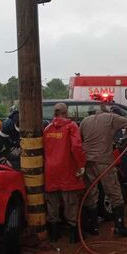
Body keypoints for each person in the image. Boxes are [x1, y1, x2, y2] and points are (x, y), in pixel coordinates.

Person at [80, 105, 127, 237]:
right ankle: (119, 227)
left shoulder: (85, 121)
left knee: (91, 193)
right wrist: (125, 137)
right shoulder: (111, 118)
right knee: (115, 193)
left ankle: (93, 227)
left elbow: (80, 139)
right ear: (106, 112)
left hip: (88, 162)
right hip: (104, 162)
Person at [43, 103, 86, 243]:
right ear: (65, 112)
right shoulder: (71, 126)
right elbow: (76, 147)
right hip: (67, 170)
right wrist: (81, 165)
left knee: (52, 204)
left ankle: (54, 235)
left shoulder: (47, 129)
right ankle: (74, 236)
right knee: (71, 203)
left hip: (51, 172)